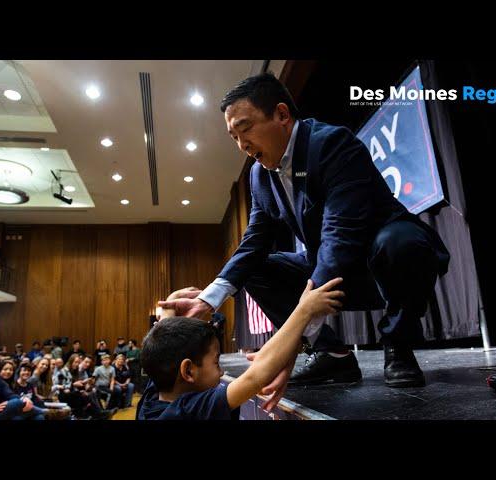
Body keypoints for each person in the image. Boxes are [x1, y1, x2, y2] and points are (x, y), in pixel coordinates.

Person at [158, 73, 450, 403]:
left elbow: (340, 235)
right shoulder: (258, 175)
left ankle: (398, 343)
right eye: (234, 137)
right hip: (332, 270)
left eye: (246, 129)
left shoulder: (331, 143)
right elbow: (254, 239)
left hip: (380, 262)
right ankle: (332, 355)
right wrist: (208, 299)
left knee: (401, 242)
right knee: (254, 269)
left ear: (282, 115)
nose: (242, 145)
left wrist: (292, 341)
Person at [138, 278, 344, 419]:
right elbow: (256, 377)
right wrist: (304, 310)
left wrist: (171, 302)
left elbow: (162, 341)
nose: (221, 372)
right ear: (188, 371)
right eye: (216, 362)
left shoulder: (154, 396)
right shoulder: (189, 411)